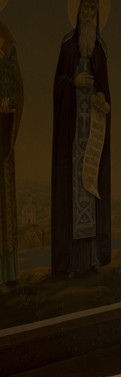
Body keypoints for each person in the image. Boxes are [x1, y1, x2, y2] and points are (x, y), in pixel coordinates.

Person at [51, 0, 111, 279]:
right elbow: (57, 84)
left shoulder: (99, 50)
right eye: (85, 8)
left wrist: (100, 96)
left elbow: (106, 91)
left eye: (93, 10)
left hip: (94, 137)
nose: (89, 14)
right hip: (73, 136)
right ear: (77, 12)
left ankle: (94, 258)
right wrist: (73, 83)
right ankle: (74, 262)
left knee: (92, 193)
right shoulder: (67, 46)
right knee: (75, 195)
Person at [0, 17, 22, 285]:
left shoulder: (6, 34)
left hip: (2, 134)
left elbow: (18, 87)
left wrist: (8, 110)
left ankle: (7, 274)